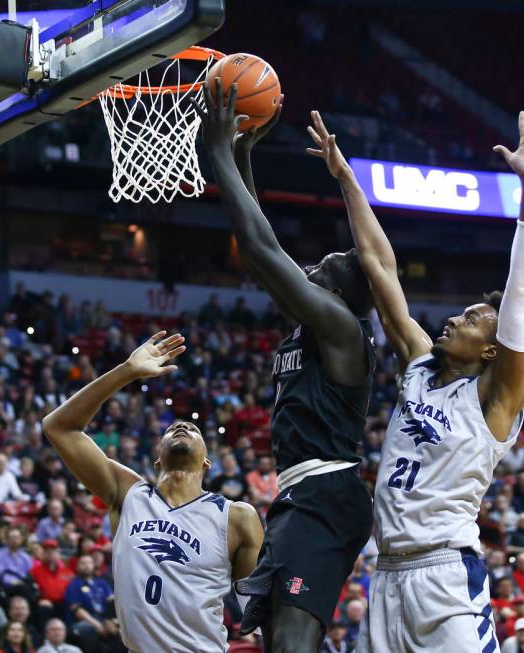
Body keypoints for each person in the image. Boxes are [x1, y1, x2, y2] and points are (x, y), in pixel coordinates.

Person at [306, 104, 524, 653]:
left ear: (492, 348)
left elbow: (520, 297)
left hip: (446, 576)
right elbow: (381, 269)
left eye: (470, 320)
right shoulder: (420, 364)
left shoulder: (496, 397)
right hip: (387, 574)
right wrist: (346, 177)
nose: (452, 319)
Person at [193, 80, 375, 652]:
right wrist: (245, 154)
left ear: (340, 296)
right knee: (281, 640)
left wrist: (219, 149)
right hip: (299, 496)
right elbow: (265, 253)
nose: (312, 268)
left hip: (326, 494)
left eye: (325, 267)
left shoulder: (342, 330)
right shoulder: (312, 324)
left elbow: (261, 250)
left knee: (294, 641)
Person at [42, 331, 263, 653]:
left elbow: (254, 607)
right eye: (171, 428)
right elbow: (57, 426)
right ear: (158, 458)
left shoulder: (237, 516)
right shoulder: (128, 493)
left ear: (207, 462)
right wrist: (127, 371)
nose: (182, 426)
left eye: (194, 429)